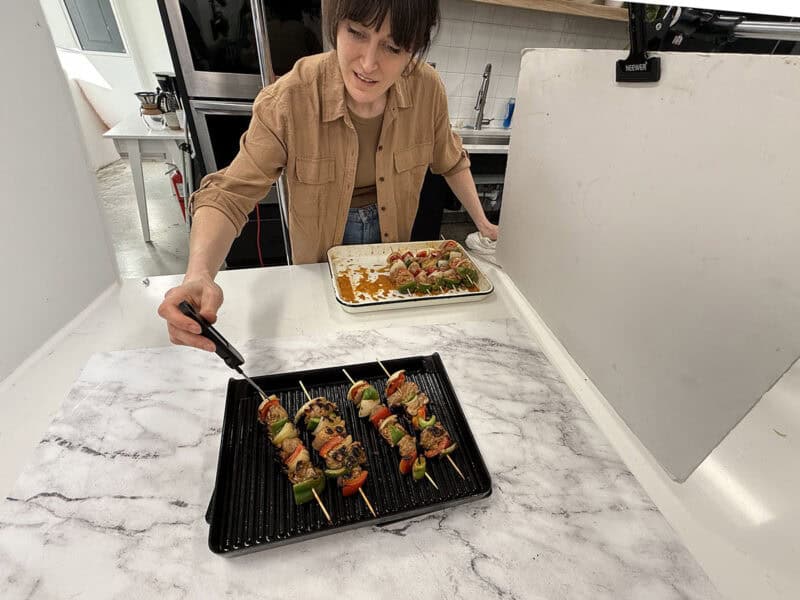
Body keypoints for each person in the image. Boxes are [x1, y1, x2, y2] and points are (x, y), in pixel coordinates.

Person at [158, 0, 499, 352]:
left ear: (414, 48)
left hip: (392, 264)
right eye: (356, 33)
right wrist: (199, 274)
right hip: (317, 266)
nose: (368, 63)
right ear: (335, 25)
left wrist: (484, 225)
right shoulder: (290, 98)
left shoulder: (427, 89)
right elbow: (228, 195)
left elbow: (451, 159)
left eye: (393, 47)